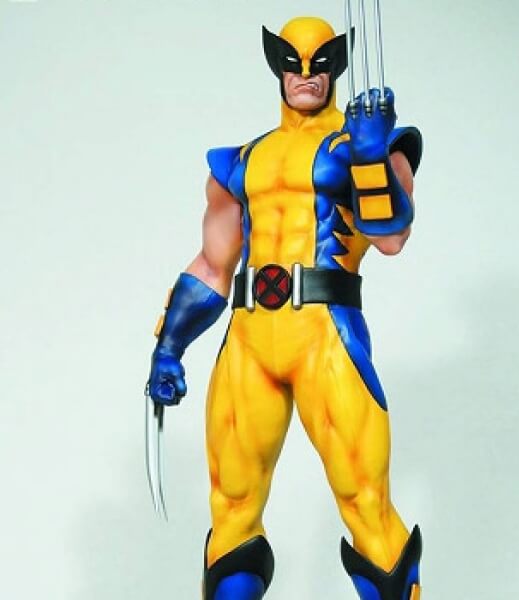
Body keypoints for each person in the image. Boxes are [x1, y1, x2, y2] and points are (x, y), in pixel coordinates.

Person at [147, 16, 423, 600]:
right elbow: (213, 265)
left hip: (326, 332)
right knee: (232, 510)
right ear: (276, 65)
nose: (306, 75)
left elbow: (391, 237)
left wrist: (371, 154)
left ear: (337, 65)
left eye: (319, 63)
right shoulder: (242, 160)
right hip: (249, 338)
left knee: (364, 503)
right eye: (293, 62)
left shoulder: (360, 144)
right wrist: (170, 345)